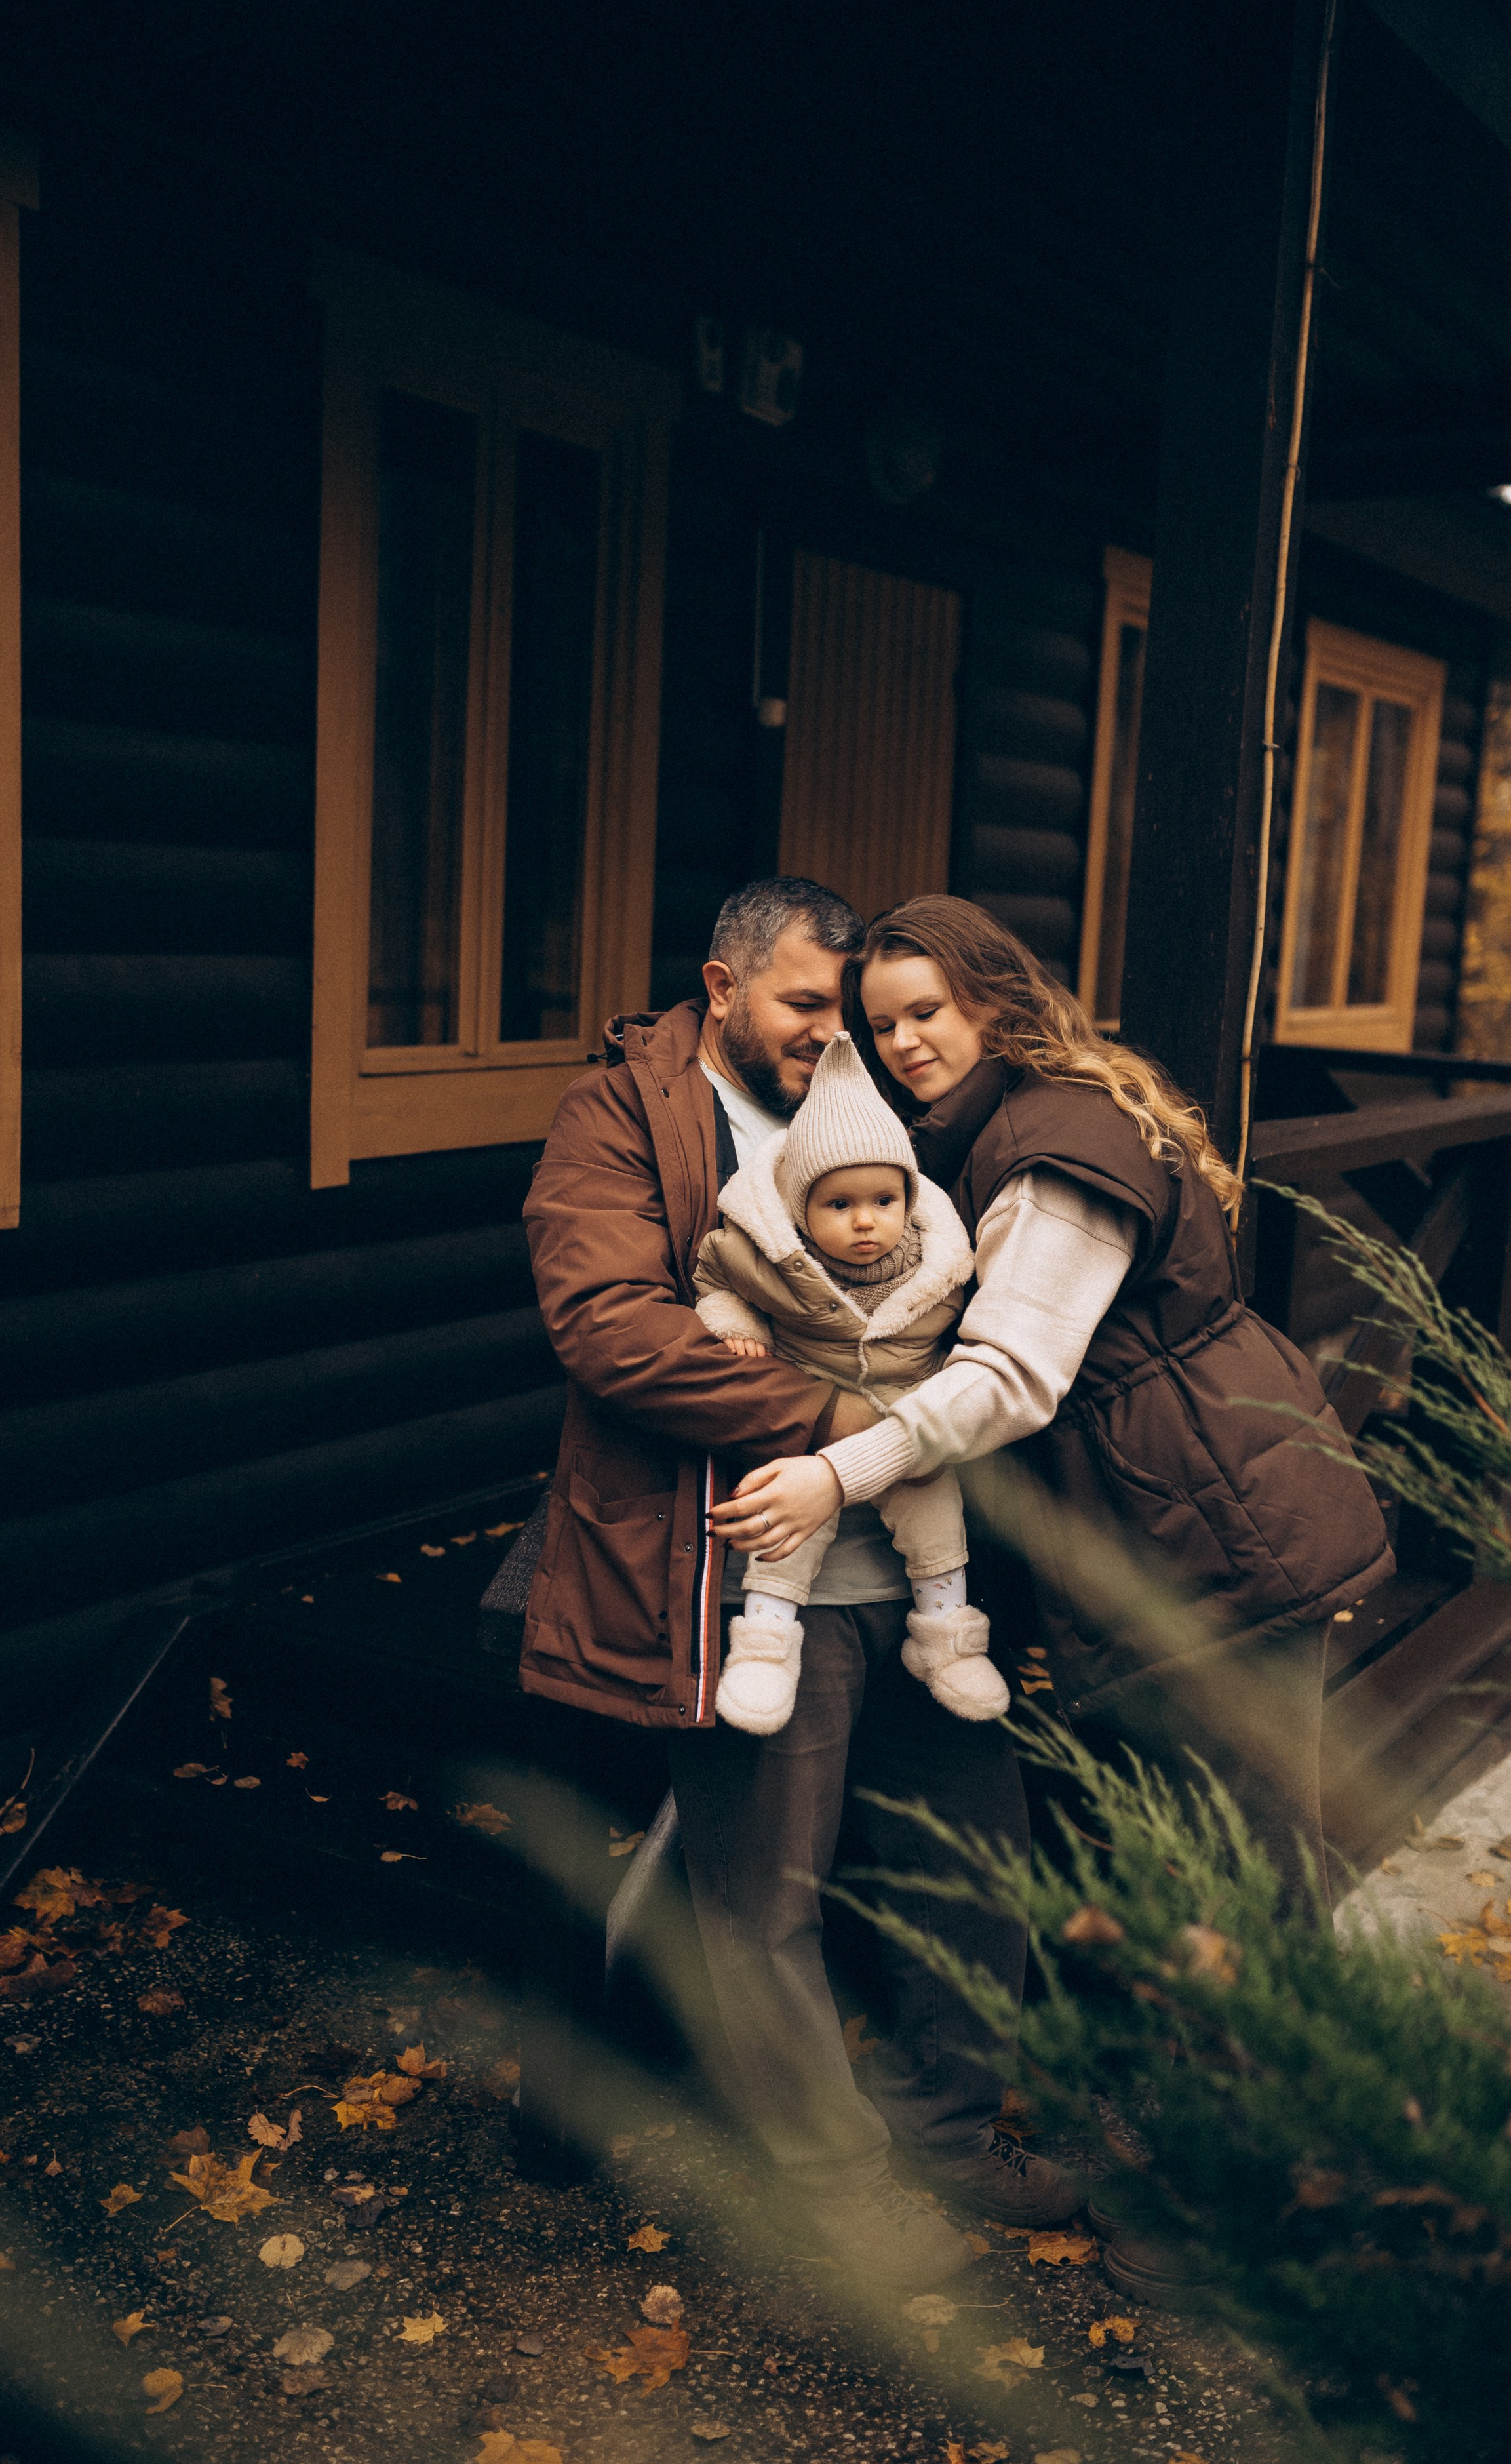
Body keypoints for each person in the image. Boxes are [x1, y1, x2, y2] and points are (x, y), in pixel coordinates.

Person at [709, 894, 1395, 2301]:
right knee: (1215, 1874)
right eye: (878, 1019)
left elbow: (1012, 1376)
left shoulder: (1053, 1159)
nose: (899, 1043)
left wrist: (837, 1477)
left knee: (1236, 1891)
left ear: (993, 1006)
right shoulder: (1008, 1129)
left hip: (1218, 1550)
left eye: (926, 1013)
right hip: (1191, 1533)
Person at [520, 877, 1086, 2297]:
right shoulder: (619, 1117)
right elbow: (611, 1328)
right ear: (717, 987)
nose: (841, 1037)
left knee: (972, 1853)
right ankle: (830, 2183)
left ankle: (949, 2128)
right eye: (803, 1005)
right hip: (723, 1573)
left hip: (926, 1569)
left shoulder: (893, 1108)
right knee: (760, 1900)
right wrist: (845, 1434)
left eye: (850, 1009)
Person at [692, 1029, 1007, 1732]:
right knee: (786, 1520)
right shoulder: (771, 1257)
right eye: (838, 1205)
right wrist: (731, 1322)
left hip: (907, 1423)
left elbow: (976, 1336)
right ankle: (766, 1646)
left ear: (909, 1196)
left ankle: (946, 1637)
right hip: (807, 1416)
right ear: (800, 1209)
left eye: (883, 1200)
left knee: (935, 1508)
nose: (866, 1221)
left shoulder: (942, 1259)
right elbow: (713, 1275)